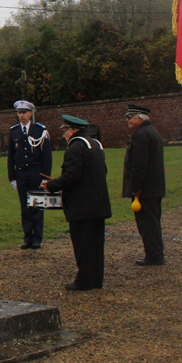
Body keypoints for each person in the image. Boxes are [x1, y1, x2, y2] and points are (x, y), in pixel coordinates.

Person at [41, 115, 112, 290]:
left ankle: (85, 280)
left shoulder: (75, 147)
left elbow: (72, 177)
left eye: (64, 131)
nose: (64, 135)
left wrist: (51, 184)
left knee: (83, 244)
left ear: (71, 130)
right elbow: (102, 170)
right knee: (96, 243)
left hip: (82, 205)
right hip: (98, 202)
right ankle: (96, 279)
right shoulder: (95, 144)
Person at [123, 104, 166, 266]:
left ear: (139, 118)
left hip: (146, 189)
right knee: (153, 221)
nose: (127, 120)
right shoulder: (152, 132)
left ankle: (154, 255)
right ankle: (156, 252)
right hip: (154, 186)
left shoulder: (141, 135)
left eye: (129, 116)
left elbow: (139, 164)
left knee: (147, 223)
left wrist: (135, 188)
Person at [6, 100, 52, 250]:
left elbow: (46, 155)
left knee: (37, 205)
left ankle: (37, 238)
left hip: (36, 173)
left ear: (31, 114)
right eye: (20, 113)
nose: (22, 116)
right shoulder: (14, 131)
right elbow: (11, 157)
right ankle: (27, 237)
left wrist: (45, 176)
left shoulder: (40, 130)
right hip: (21, 174)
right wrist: (12, 177)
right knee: (25, 207)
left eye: (24, 112)